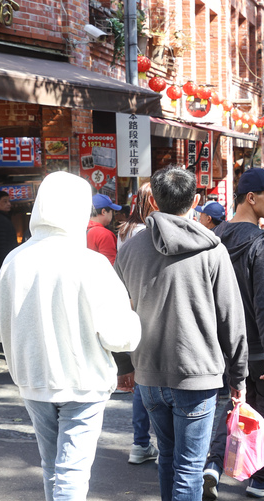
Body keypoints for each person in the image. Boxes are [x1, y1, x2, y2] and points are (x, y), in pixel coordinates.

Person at [0, 171, 141, 501]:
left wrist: (27, 337)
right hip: (83, 381)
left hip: (33, 378)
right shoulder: (90, 264)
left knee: (52, 466)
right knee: (72, 475)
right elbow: (120, 335)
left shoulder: (15, 260)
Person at [115, 166, 246, 501]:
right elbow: (231, 319)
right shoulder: (213, 249)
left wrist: (125, 366)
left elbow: (116, 313)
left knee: (168, 459)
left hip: (149, 374)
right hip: (198, 375)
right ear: (194, 203)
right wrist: (239, 376)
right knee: (188, 468)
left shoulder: (129, 250)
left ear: (153, 201)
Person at [204, 167, 264, 499]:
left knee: (232, 406)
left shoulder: (216, 237)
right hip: (257, 345)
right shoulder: (261, 242)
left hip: (224, 345)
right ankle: (261, 477)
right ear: (251, 198)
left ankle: (213, 464)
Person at [115, 183, 159, 464]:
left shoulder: (124, 230)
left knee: (142, 379)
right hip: (144, 306)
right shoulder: (145, 232)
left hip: (130, 305)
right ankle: (142, 442)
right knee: (146, 380)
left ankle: (140, 442)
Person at [87, 193, 121, 265]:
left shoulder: (79, 229)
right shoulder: (104, 234)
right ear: (104, 212)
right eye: (112, 211)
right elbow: (110, 265)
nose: (113, 214)